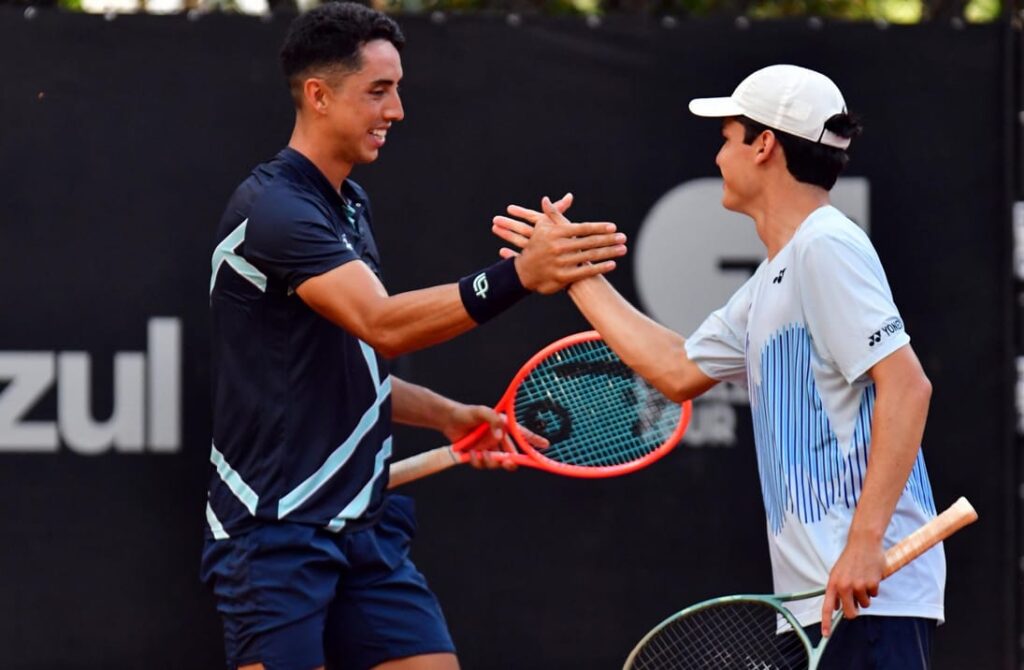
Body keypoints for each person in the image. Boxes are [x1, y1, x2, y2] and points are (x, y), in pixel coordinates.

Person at [201, 3, 627, 670]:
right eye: (378, 90)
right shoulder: (276, 212)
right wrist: (520, 273)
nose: (396, 110)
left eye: (396, 89)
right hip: (275, 535)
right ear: (318, 94)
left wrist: (452, 417)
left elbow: (351, 360)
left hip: (364, 530)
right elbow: (383, 322)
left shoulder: (347, 206)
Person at [494, 64, 943, 669]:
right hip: (820, 599)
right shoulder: (775, 278)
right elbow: (677, 369)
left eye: (728, 137)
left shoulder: (825, 246)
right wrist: (571, 273)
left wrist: (864, 546)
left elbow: (908, 386)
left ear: (764, 146)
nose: (718, 155)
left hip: (869, 592)